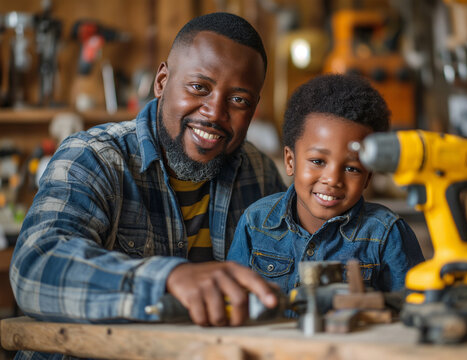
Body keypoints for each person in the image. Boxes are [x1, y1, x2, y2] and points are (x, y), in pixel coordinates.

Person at [10, 11, 286, 341]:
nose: (215, 113)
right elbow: (34, 268)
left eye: (239, 99)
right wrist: (168, 279)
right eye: (199, 87)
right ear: (161, 82)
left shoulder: (258, 174)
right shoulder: (95, 157)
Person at [227, 74, 424, 294]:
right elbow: (234, 301)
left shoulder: (387, 234)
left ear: (368, 177)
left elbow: (414, 310)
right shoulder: (255, 223)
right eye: (318, 161)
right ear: (290, 161)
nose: (332, 179)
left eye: (352, 168)